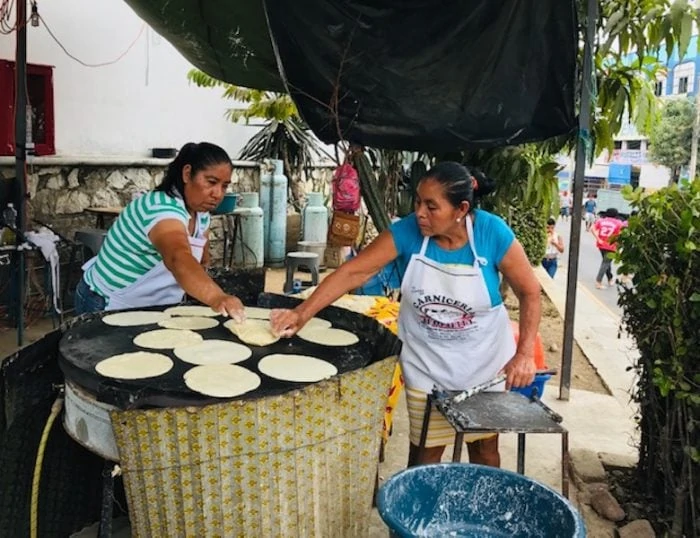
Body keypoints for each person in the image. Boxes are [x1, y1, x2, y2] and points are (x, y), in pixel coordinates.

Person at [271, 161, 541, 468]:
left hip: (484, 366)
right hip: (427, 365)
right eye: (417, 201)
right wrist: (302, 312)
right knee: (425, 453)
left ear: (461, 209)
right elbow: (354, 272)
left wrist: (524, 354)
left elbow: (530, 293)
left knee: (484, 451)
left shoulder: (492, 233)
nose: (420, 213)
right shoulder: (409, 232)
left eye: (431, 206)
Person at [74, 142, 245, 319]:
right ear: (187, 174)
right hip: (106, 301)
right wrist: (217, 297)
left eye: (224, 186)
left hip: (153, 307)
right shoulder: (160, 208)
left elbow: (202, 262)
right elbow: (177, 257)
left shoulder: (201, 214)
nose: (217, 194)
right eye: (211, 182)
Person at [591, 207, 625, 289]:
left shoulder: (601, 220)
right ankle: (598, 281)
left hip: (601, 244)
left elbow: (592, 228)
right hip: (611, 245)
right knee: (605, 263)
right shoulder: (618, 223)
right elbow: (621, 234)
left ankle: (610, 278)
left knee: (606, 262)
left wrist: (598, 239)